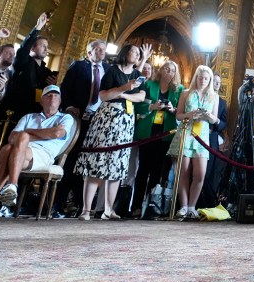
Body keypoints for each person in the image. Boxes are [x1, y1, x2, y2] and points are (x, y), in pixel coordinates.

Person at [0, 85, 75, 224]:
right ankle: (9, 189)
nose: (52, 98)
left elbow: (57, 133)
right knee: (9, 148)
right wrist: (35, 136)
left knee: (12, 146)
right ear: (41, 101)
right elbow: (12, 138)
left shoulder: (65, 118)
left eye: (56, 95)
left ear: (60, 100)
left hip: (43, 154)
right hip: (21, 155)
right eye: (48, 95)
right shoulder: (29, 117)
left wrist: (27, 134)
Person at [73, 43, 146, 220]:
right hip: (107, 118)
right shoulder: (113, 71)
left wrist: (123, 95)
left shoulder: (138, 75)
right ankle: (86, 209)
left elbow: (141, 96)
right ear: (125, 53)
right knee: (96, 161)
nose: (137, 55)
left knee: (117, 164)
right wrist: (123, 88)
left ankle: (108, 209)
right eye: (134, 52)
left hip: (126, 121)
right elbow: (104, 95)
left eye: (139, 54)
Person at [52, 39, 108, 218]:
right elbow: (65, 89)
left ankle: (80, 205)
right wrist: (68, 107)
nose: (101, 52)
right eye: (97, 49)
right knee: (70, 160)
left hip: (97, 122)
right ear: (89, 52)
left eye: (103, 50)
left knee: (86, 164)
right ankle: (56, 204)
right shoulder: (78, 66)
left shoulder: (107, 69)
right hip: (77, 119)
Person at [132, 59, 181, 219]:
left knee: (158, 172)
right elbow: (137, 105)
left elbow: (181, 111)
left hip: (166, 134)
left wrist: (172, 110)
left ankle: (151, 206)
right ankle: (136, 206)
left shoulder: (179, 89)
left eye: (172, 70)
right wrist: (152, 107)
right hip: (148, 131)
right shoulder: (149, 85)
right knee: (142, 170)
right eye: (166, 68)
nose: (168, 72)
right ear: (160, 70)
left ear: (175, 74)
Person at [169, 65, 218, 220]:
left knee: (200, 174)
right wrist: (189, 114)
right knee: (183, 173)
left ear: (210, 80)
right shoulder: (186, 93)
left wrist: (209, 116)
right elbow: (178, 115)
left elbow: (216, 119)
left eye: (206, 78)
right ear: (196, 78)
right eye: (200, 77)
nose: (202, 80)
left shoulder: (213, 96)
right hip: (186, 133)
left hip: (202, 137)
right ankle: (183, 207)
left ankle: (192, 207)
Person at [0, 13, 54, 130]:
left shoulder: (47, 72)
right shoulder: (23, 62)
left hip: (32, 116)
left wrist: (52, 85)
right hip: (13, 112)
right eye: (43, 46)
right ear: (32, 48)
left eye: (47, 47)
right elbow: (23, 49)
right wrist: (37, 28)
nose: (46, 49)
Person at [199, 72, 229, 210]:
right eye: (214, 81)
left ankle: (209, 203)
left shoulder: (222, 102)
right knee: (199, 172)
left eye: (219, 82)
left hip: (212, 139)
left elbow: (224, 123)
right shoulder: (202, 97)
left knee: (209, 172)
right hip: (198, 135)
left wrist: (215, 120)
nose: (217, 83)